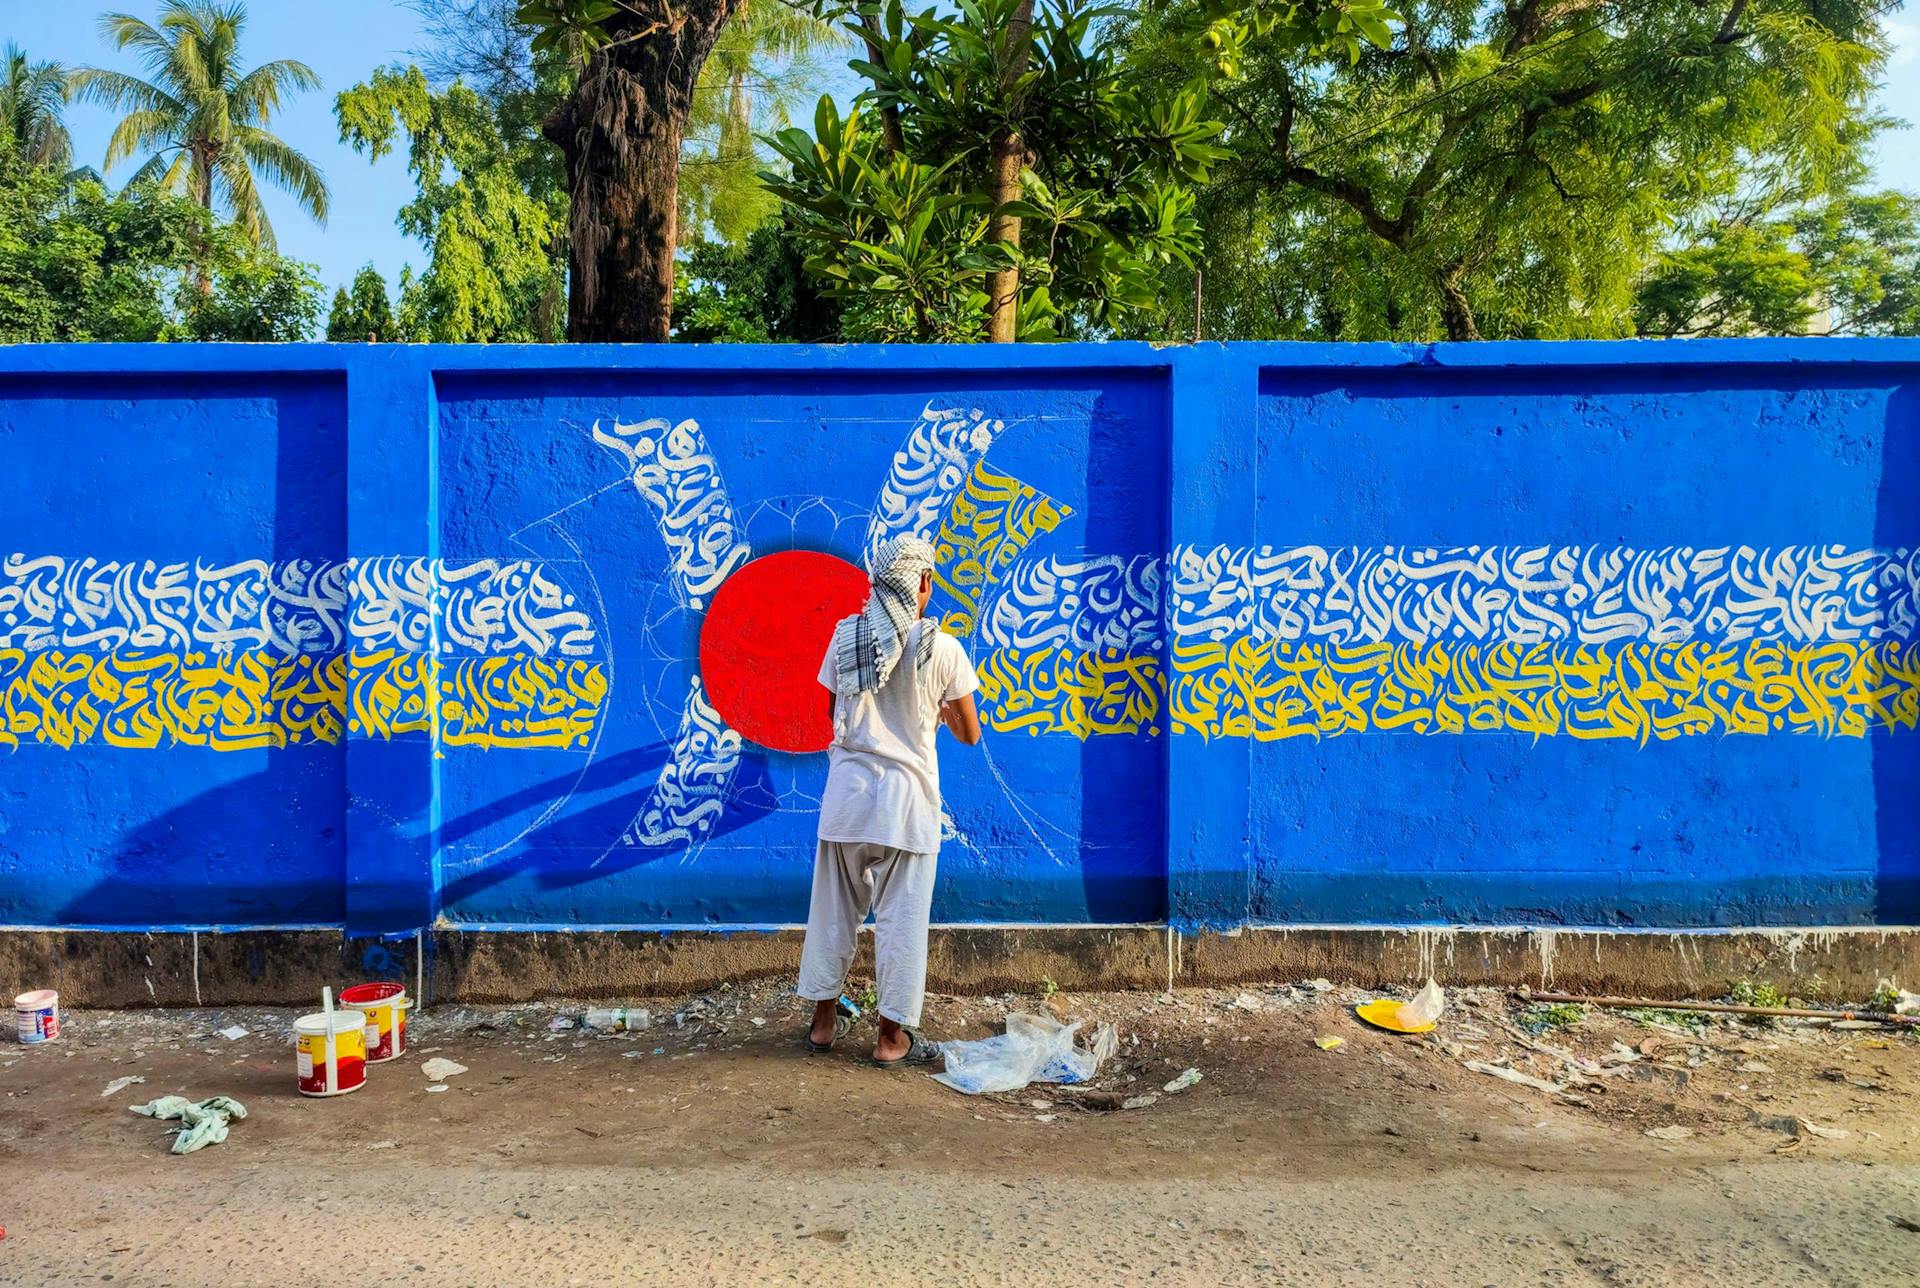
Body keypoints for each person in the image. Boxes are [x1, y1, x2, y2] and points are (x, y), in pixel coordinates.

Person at [796, 535, 982, 1066]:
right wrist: (935, 711)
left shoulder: (846, 637)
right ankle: (890, 1038)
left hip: (847, 800)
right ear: (923, 583)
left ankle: (824, 1024)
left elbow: (833, 714)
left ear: (878, 581)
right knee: (901, 923)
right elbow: (970, 733)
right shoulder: (941, 649)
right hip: (907, 804)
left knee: (832, 913)